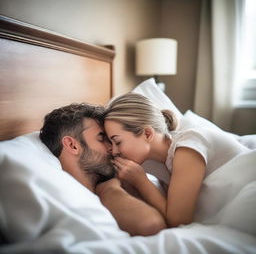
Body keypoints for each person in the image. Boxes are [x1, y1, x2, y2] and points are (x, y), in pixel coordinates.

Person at [103, 92, 249, 228]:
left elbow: (178, 221)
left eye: (118, 142)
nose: (115, 151)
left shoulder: (188, 146)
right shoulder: (159, 161)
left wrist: (141, 181)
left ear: (147, 133)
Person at [39, 102, 166, 236]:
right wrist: (109, 188)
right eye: (101, 138)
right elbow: (152, 225)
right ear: (72, 145)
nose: (113, 149)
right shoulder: (62, 199)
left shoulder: (127, 178)